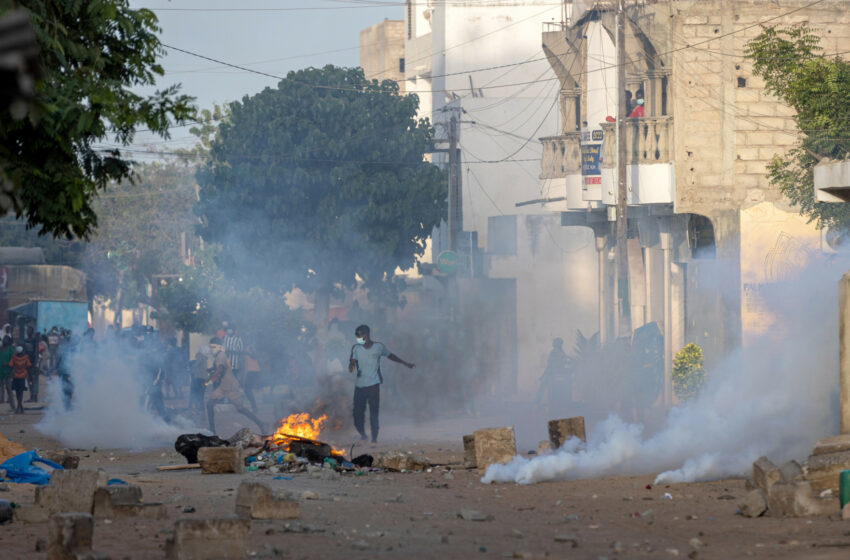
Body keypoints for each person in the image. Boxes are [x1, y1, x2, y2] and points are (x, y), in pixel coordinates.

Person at [348, 324, 415, 447]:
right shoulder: (356, 348)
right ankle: (363, 435)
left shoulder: (379, 347)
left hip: (373, 385)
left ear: (366, 335)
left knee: (374, 413)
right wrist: (351, 365)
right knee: (357, 414)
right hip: (359, 386)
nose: (358, 339)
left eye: (360, 336)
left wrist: (406, 363)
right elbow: (352, 360)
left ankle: (374, 439)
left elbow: (391, 356)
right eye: (357, 337)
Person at [205, 337, 266, 435]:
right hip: (224, 385)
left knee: (240, 409)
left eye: (213, 347)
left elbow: (220, 369)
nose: (211, 349)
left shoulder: (221, 355)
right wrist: (211, 369)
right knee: (210, 404)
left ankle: (261, 423)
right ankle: (212, 430)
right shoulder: (220, 355)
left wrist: (208, 380)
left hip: (231, 386)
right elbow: (220, 367)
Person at [536, 337, 571, 409]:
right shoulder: (561, 352)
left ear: (557, 344)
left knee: (544, 386)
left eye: (555, 342)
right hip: (555, 373)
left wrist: (543, 375)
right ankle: (539, 400)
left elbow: (550, 365)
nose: (553, 343)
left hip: (552, 373)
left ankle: (537, 401)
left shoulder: (554, 352)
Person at [9, 346, 31, 414]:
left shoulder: (14, 358)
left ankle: (19, 406)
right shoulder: (26, 357)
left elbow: (10, 365)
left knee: (17, 392)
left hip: (15, 377)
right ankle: (20, 406)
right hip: (23, 377)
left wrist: (9, 374)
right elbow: (28, 366)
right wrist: (29, 376)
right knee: (21, 392)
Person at [0, 336, 12, 406]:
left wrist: (7, 364)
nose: (4, 340)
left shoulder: (10, 349)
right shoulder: (1, 349)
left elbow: (13, 359)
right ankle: (1, 399)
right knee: (1, 386)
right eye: (4, 339)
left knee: (8, 387)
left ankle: (9, 399)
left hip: (8, 371)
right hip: (1, 371)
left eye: (6, 339)